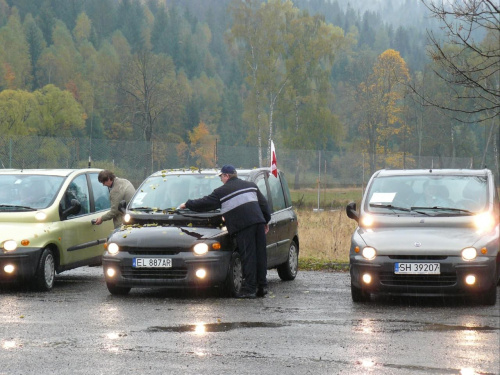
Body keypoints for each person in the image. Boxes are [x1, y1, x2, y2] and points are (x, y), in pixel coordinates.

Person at [179, 164, 271, 299]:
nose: (221, 179)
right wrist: (265, 221)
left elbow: (206, 203)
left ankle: (250, 289)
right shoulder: (251, 185)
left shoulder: (222, 191)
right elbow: (264, 204)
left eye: (221, 176)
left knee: (248, 256)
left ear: (226, 176)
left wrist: (187, 204)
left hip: (243, 226)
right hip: (258, 222)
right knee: (260, 255)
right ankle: (262, 287)